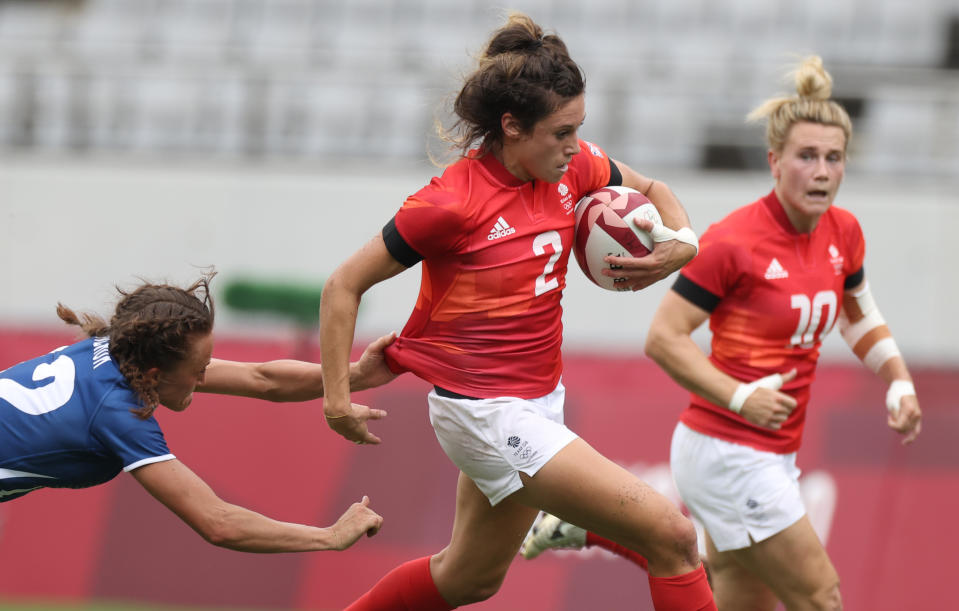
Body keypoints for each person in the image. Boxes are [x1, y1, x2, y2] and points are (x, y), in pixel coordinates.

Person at [318, 12, 716, 611]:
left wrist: (679, 245)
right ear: (512, 126)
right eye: (561, 132)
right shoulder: (450, 205)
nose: (575, 146)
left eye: (579, 128)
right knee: (673, 536)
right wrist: (335, 398)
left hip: (537, 401)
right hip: (484, 412)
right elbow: (344, 285)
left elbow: (655, 190)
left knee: (468, 579)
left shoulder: (572, 168)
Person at [519, 56, 922, 610]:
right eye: (807, 156)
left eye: (833, 157)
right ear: (775, 162)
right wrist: (742, 397)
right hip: (729, 451)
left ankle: (593, 531)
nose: (822, 171)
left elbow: (858, 315)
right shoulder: (734, 242)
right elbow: (663, 338)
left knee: (734, 598)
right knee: (821, 597)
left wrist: (898, 381)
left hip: (773, 451)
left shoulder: (844, 232)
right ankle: (598, 529)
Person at [0, 271, 395, 553]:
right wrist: (331, 536)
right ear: (156, 373)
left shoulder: (115, 352)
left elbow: (262, 378)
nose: (206, 376)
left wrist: (356, 375)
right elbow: (219, 523)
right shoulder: (117, 414)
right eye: (199, 370)